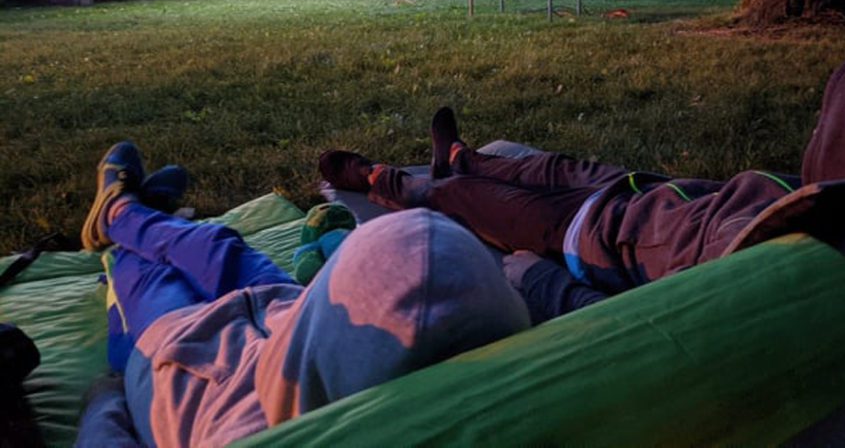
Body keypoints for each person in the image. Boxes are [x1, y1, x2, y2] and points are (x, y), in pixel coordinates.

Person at [320, 49, 845, 322]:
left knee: (458, 202)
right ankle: (465, 156)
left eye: (825, 127)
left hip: (587, 239)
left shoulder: (781, 271)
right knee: (543, 164)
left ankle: (390, 186)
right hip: (649, 191)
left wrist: (531, 277)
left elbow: (639, 322)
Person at [75, 142, 528, 447]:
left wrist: (105, 399)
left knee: (144, 272)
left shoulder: (239, 433)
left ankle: (120, 216)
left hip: (171, 349)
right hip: (287, 309)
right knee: (218, 244)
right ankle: (137, 212)